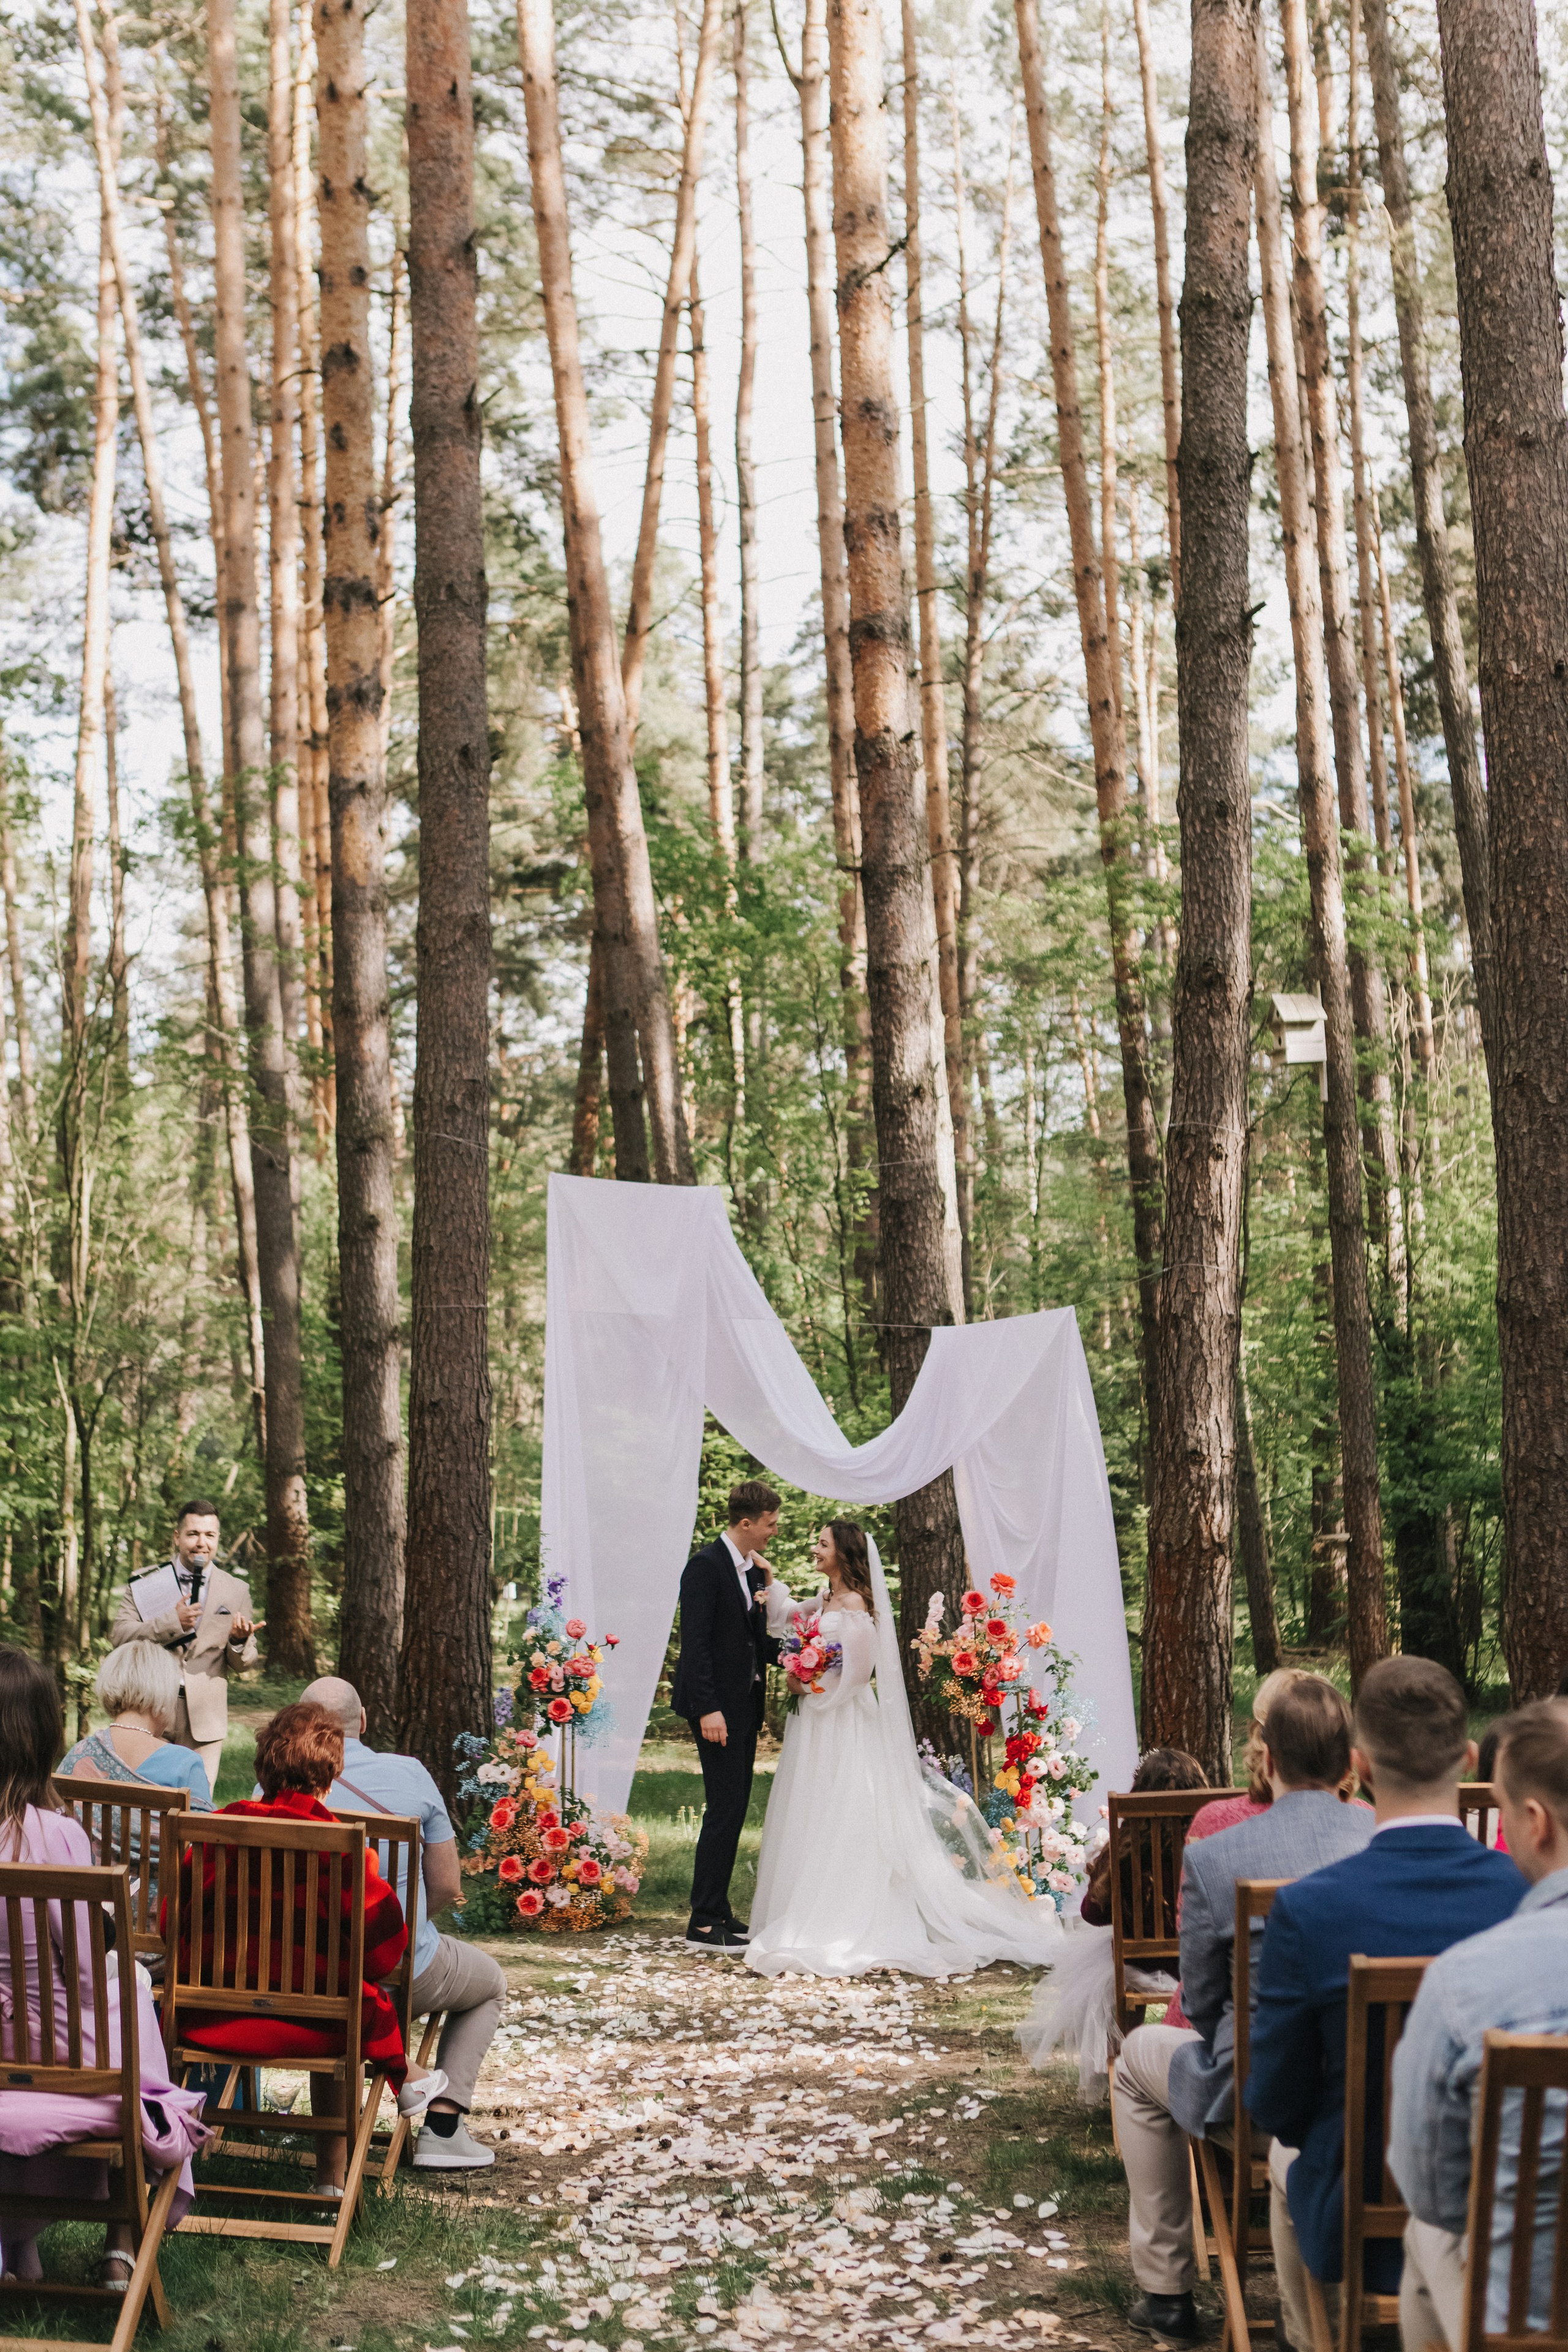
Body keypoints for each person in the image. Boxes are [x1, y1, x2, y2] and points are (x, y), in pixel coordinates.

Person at [1246, 1657, 1525, 2352]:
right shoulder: (1526, 1896)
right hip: (1510, 2218)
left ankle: (1309, 2341)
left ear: (1358, 1766)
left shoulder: (1308, 1909)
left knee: (1284, 2157)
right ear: (1469, 1759)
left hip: (1360, 2219)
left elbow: (1275, 2103)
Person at [1110, 1675, 1375, 2341]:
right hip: (1379, 2097)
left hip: (1258, 2105)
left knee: (1135, 2061)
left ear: (1269, 1757)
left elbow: (1199, 2004)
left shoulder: (1215, 1857)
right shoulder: (1383, 1837)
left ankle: (1167, 2291)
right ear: (1350, 1762)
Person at [743, 1520, 1063, 1979]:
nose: (815, 1549)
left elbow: (858, 1675)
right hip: (814, 1723)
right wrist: (772, 1581)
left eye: (823, 1544)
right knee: (813, 1804)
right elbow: (786, 1618)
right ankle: (806, 1899)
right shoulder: (826, 1598)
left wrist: (810, 1687)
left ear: (844, 1554)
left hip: (843, 1721)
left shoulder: (856, 1606)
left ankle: (847, 1912)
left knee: (846, 1805)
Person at [174, 1701, 448, 2193]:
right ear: (330, 1775)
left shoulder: (215, 1831)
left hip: (207, 2019)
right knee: (352, 1996)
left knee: (344, 1992)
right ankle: (331, 2180)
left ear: (263, 1766)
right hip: (315, 2029)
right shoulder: (340, 1847)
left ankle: (170, 2172)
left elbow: (173, 1922)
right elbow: (384, 1954)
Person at [0, 1647, 208, 2288]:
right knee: (132, 2000)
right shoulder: (56, 1836)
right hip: (56, 2052)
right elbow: (88, 1981)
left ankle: (18, 2245)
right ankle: (123, 2235)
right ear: (42, 1734)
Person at [1389, 1697, 1568, 2352]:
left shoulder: (1466, 1983)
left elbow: (1430, 2191)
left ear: (1535, 1822)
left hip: (1531, 2321)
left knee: (1427, 2232)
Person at [297, 1675, 505, 2172]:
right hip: (400, 1967)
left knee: (333, 1980)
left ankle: (332, 2170)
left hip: (301, 1971)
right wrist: (396, 1931)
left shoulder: (277, 1783)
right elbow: (447, 1884)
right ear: (364, 1721)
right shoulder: (410, 1774)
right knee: (490, 1984)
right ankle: (444, 2130)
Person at [1017, 1747, 1207, 2100]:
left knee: (1109, 1963)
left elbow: (1092, 1914)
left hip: (1137, 1965)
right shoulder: (1208, 1845)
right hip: (1197, 1964)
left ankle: (1121, 2075)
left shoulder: (1126, 1848)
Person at [670, 1479, 791, 1951]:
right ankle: (702, 1922)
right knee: (723, 1809)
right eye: (770, 1524)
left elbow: (756, 1643)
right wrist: (708, 1709)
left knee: (735, 1808)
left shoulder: (753, 1572)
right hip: (716, 1710)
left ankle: (719, 1910)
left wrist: (809, 1656)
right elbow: (696, 1644)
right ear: (746, 1523)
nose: (774, 1531)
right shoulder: (705, 1567)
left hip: (744, 1708)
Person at [108, 1501, 257, 1795]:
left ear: (218, 1539)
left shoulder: (237, 1589)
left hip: (205, 1718)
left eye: (209, 1535)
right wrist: (170, 1623)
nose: (202, 1542)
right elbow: (119, 1636)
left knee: (197, 1802)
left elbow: (244, 1663)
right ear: (177, 1537)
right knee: (144, 1798)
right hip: (148, 1707)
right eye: (193, 1534)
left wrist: (238, 1641)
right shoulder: (147, 1580)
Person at [58, 1640, 214, 1807]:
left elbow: (55, 1814)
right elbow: (201, 1824)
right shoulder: (186, 1764)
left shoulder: (80, 1754)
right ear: (163, 1695)